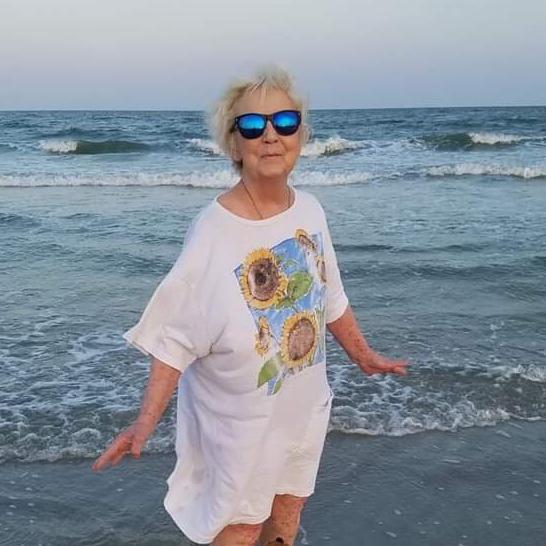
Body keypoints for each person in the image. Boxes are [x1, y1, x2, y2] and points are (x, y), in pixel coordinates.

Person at [92, 65, 408, 546]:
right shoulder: (212, 231)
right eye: (253, 125)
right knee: (242, 526)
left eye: (285, 122)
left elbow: (330, 296)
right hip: (237, 423)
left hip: (300, 408)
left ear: (301, 135)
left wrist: (363, 356)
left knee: (289, 506)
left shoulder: (311, 210)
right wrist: (144, 424)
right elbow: (174, 338)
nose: (271, 136)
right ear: (234, 144)